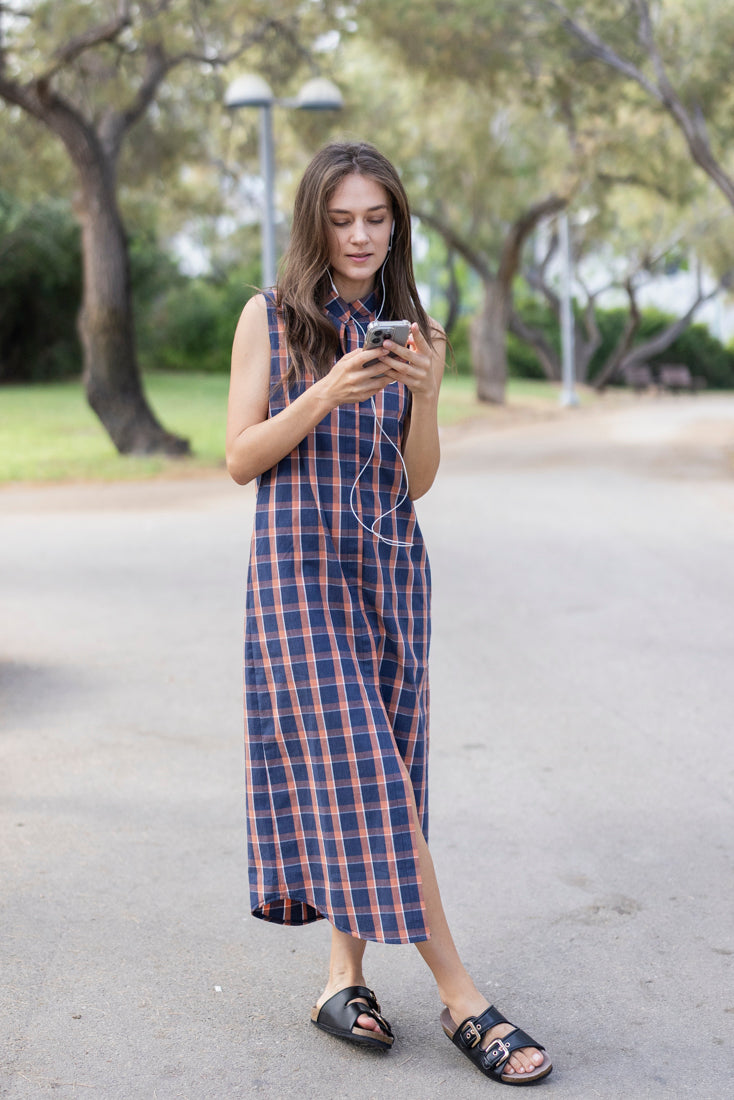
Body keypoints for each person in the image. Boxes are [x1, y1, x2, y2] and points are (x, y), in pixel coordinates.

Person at [226, 141, 552, 1086]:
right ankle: (463, 1000)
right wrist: (326, 390)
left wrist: (429, 393)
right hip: (297, 583)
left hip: (390, 578)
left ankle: (342, 978)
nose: (361, 235)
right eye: (342, 218)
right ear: (314, 222)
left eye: (377, 218)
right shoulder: (272, 317)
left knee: (382, 777)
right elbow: (241, 458)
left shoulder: (418, 332)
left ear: (395, 224)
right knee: (367, 771)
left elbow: (414, 483)